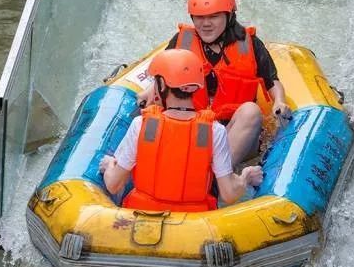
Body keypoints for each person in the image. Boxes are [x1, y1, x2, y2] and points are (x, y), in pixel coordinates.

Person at [139, 0, 292, 166]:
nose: (205, 24)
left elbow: (272, 82)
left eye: (213, 17)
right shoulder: (182, 42)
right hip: (192, 130)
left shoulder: (250, 44)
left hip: (235, 132)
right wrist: (146, 94)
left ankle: (214, 177)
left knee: (251, 111)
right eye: (199, 17)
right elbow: (160, 80)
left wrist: (279, 101)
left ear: (229, 15)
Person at [99, 48, 263, 212]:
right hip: (192, 222)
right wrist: (245, 178)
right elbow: (229, 194)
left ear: (162, 85)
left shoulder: (140, 124)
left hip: (142, 217)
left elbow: (113, 185)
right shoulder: (215, 131)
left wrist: (109, 165)